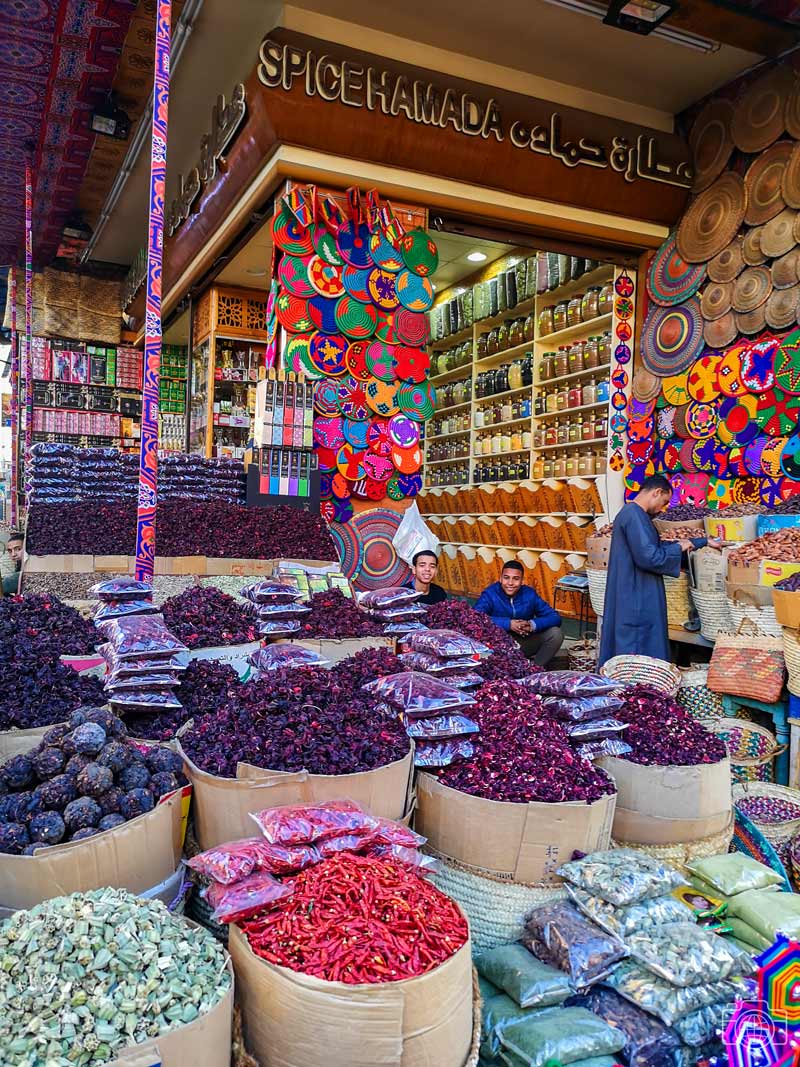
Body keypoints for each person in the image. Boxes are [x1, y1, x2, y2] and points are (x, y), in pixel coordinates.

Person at [598, 474, 719, 667]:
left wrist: (698, 542)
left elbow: (653, 548)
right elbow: (650, 556)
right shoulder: (634, 515)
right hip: (636, 596)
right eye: (664, 502)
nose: (663, 508)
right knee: (637, 650)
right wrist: (681, 545)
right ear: (657, 492)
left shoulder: (632, 514)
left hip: (633, 591)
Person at [475, 560, 563, 666]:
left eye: (516, 579)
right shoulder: (490, 594)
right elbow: (476, 618)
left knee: (555, 634)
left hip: (522, 643)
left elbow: (555, 617)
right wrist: (509, 624)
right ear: (500, 578)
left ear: (522, 581)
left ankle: (535, 669)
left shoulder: (529, 594)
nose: (510, 583)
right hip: (496, 645)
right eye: (506, 578)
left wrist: (532, 625)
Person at [2, 530, 23, 596]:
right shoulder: (19, 565)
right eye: (10, 551)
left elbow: (7, 583)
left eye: (18, 549)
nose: (13, 554)